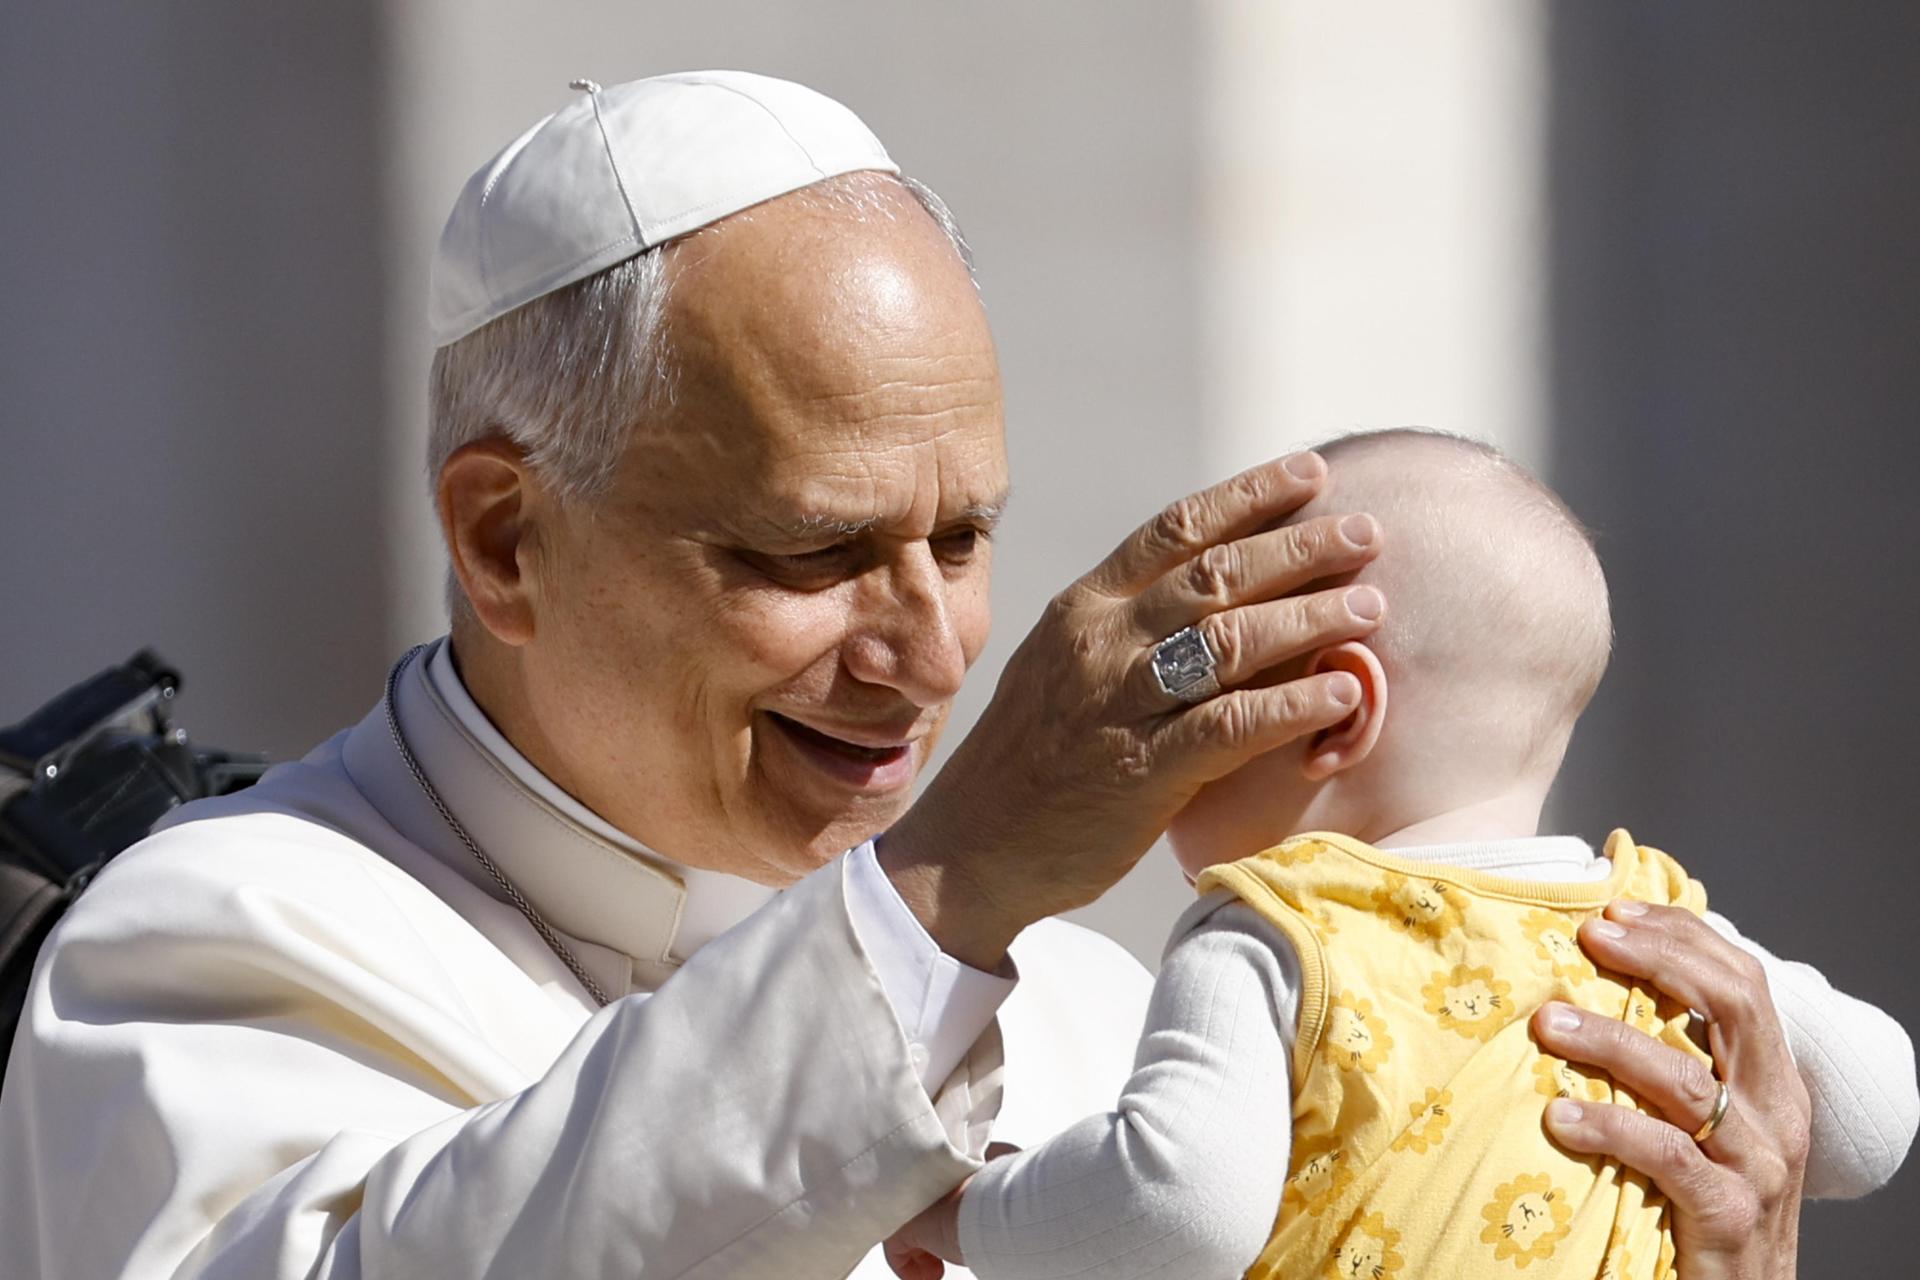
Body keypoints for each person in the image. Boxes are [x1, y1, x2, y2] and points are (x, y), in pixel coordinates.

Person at [0, 73, 1824, 1279]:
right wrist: (945, 885)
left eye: (962, 541)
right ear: (502, 538)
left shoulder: (1112, 1024)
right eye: (810, 552)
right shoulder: (217, 944)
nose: (930, 653)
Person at [885, 430, 1917, 1279]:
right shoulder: (1659, 925)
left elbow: (1179, 1206)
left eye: (1189, 692)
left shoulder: (1278, 929)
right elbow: (1872, 1119)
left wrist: (963, 1209)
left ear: (1332, 712)